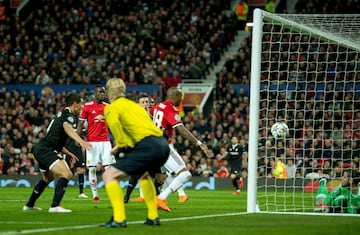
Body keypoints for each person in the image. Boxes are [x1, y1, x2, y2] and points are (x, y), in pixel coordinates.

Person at [101, 78, 169, 227]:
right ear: (123, 91)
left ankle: (119, 219)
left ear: (108, 93)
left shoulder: (111, 108)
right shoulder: (135, 106)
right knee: (143, 175)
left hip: (146, 146)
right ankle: (153, 217)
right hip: (162, 144)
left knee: (109, 175)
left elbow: (115, 128)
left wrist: (119, 146)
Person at [23, 93, 92, 213]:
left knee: (47, 178)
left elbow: (55, 140)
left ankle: (29, 204)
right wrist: (81, 141)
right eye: (81, 104)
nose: (82, 107)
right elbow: (68, 128)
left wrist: (69, 153)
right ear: (74, 104)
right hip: (46, 149)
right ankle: (55, 206)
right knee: (67, 174)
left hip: (41, 148)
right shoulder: (68, 115)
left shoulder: (61, 114)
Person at [150, 87, 211, 212]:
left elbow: (149, 115)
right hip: (164, 147)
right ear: (174, 96)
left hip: (153, 145)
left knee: (163, 176)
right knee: (185, 174)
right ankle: (161, 198)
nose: (181, 100)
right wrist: (199, 143)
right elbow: (182, 130)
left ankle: (161, 200)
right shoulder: (171, 110)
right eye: (180, 97)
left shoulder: (158, 106)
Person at [77, 85, 115, 203]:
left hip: (105, 141)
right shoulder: (87, 107)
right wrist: (78, 139)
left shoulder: (108, 107)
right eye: (100, 92)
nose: (102, 94)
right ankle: (95, 195)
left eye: (104, 92)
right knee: (92, 169)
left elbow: (113, 124)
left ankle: (111, 192)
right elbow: (80, 124)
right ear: (95, 93)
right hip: (92, 142)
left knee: (108, 168)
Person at [63, 121, 88, 199]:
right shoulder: (66, 122)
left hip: (77, 149)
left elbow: (85, 132)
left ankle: (81, 192)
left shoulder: (80, 122)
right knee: (66, 171)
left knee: (80, 170)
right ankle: (62, 190)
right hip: (67, 149)